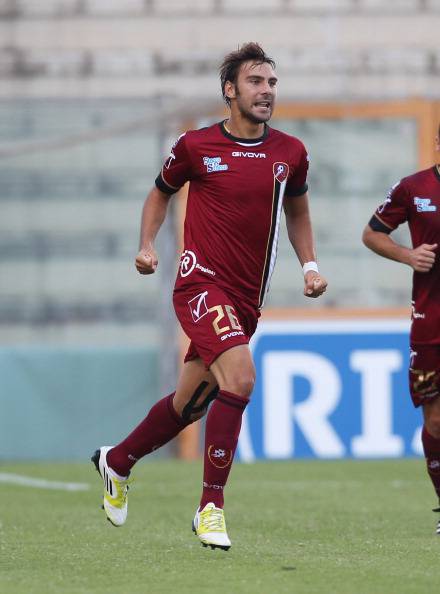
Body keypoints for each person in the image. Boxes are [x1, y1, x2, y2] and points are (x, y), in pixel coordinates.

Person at [92, 42, 327, 550]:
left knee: (191, 404)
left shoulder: (290, 152)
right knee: (240, 377)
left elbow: (298, 210)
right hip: (200, 283)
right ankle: (210, 508)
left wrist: (310, 266)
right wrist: (147, 245)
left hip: (245, 298)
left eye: (272, 83)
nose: (266, 91)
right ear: (229, 91)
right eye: (255, 82)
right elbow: (160, 193)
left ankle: (117, 461)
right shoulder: (196, 146)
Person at [362, 129, 440, 534]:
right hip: (431, 321)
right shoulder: (414, 188)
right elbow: (372, 233)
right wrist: (409, 255)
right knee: (436, 421)